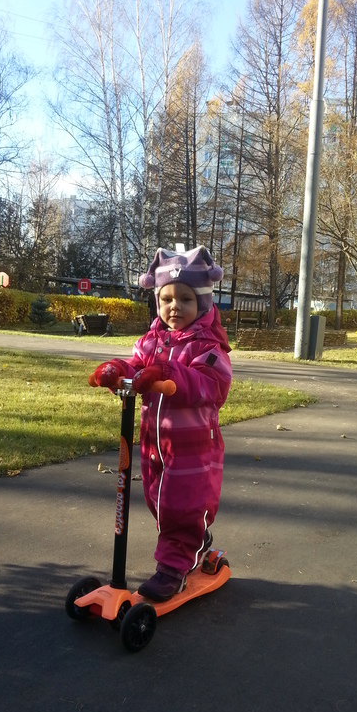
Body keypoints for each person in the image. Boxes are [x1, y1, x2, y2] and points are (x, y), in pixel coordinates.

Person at [92, 246, 232, 602]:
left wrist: (166, 372)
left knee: (182, 505)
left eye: (185, 299)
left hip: (192, 450)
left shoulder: (208, 345)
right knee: (159, 502)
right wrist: (118, 370)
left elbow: (210, 384)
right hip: (155, 445)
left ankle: (174, 567)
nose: (174, 307)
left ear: (202, 302)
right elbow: (137, 364)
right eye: (166, 299)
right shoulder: (152, 340)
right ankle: (194, 541)